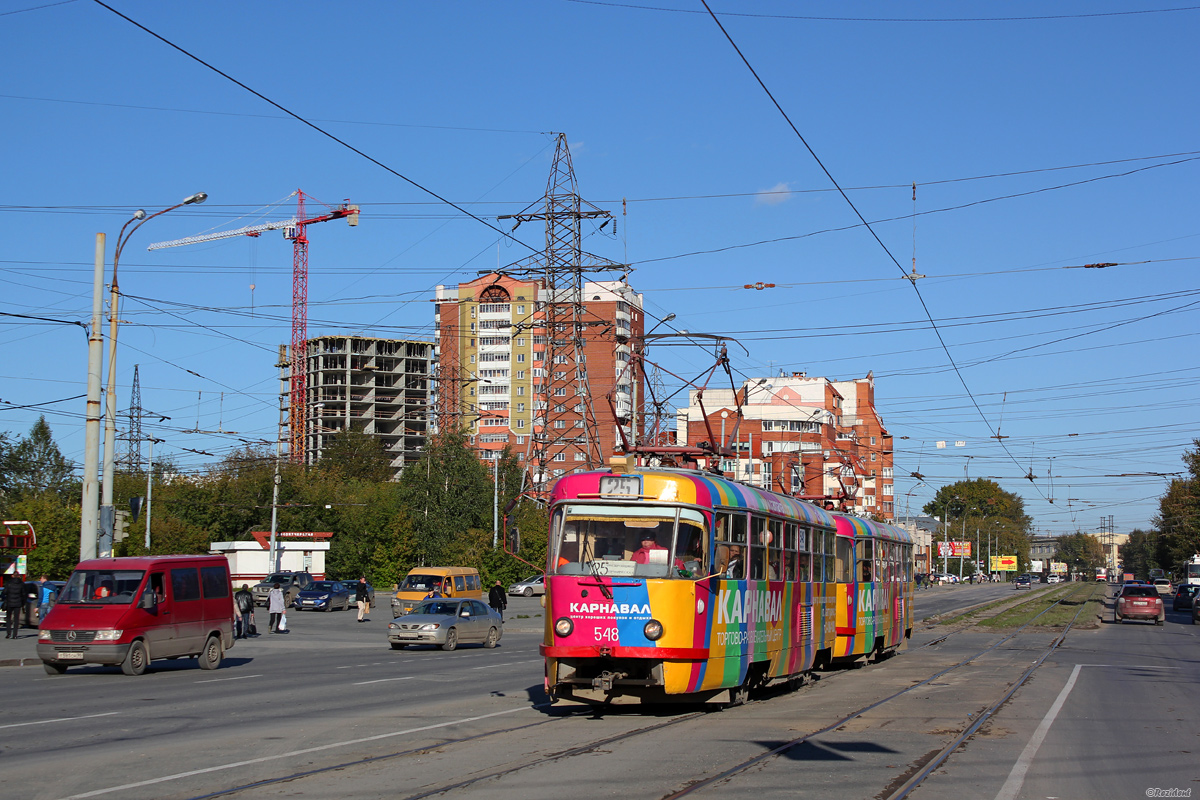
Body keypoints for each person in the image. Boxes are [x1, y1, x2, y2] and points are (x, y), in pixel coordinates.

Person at [3, 572, 25, 639]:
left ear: (12, 576)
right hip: (18, 603)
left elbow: (5, 592)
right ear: (18, 576)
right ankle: (15, 635)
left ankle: (8, 633)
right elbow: (24, 594)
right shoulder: (21, 584)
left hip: (9, 602)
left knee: (9, 618)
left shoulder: (9, 583)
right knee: (16, 619)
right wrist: (22, 603)